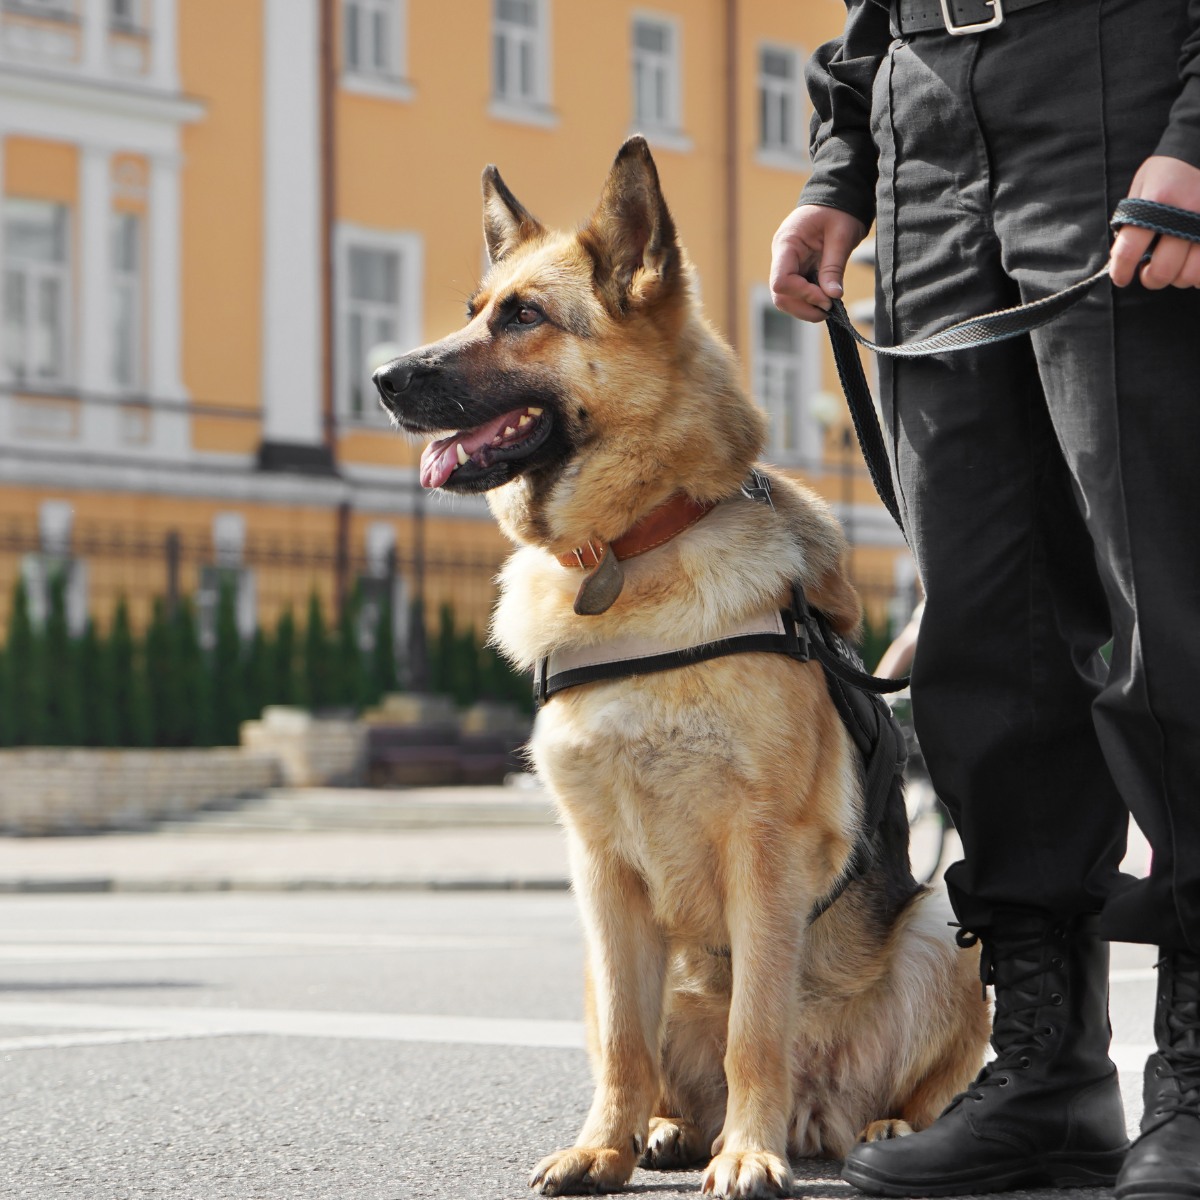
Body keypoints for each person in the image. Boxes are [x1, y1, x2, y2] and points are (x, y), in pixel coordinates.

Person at [769, 1, 1200, 1197]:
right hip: (927, 135)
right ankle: (1047, 1069)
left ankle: (1197, 1075)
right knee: (983, 634)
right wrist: (844, 163)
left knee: (1171, 622)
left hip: (1125, 79)